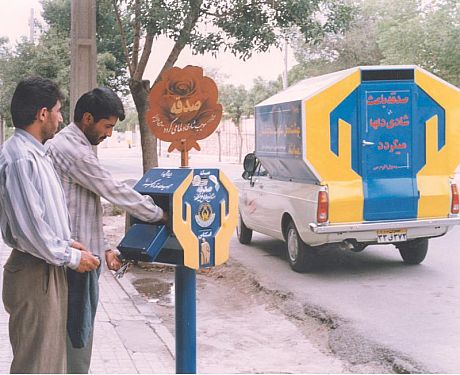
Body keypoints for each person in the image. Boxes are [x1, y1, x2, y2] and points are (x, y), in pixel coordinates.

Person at [47, 87, 167, 373]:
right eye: (108, 126)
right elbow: (112, 190)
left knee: (75, 334)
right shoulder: (73, 150)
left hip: (80, 255)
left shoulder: (71, 145)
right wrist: (160, 214)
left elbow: (84, 205)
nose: (110, 134)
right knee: (77, 335)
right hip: (75, 263)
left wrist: (104, 247)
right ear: (87, 118)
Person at [0, 76, 101, 374]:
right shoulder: (21, 159)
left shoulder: (37, 154)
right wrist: (71, 256)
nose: (60, 117)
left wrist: (67, 243)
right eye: (57, 110)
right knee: (37, 364)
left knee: (51, 362)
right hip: (36, 272)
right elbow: (29, 231)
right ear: (42, 113)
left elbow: (40, 220)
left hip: (47, 264)